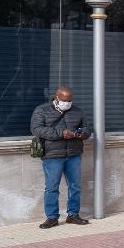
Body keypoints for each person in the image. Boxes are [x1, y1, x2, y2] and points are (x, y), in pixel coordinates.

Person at [30, 86, 92, 229]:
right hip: (52, 155)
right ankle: (52, 218)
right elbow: (36, 129)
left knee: (75, 186)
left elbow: (87, 129)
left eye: (69, 100)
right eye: (64, 100)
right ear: (56, 97)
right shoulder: (42, 110)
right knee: (52, 187)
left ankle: (73, 215)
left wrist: (81, 134)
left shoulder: (77, 111)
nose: (67, 103)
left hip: (73, 154)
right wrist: (61, 133)